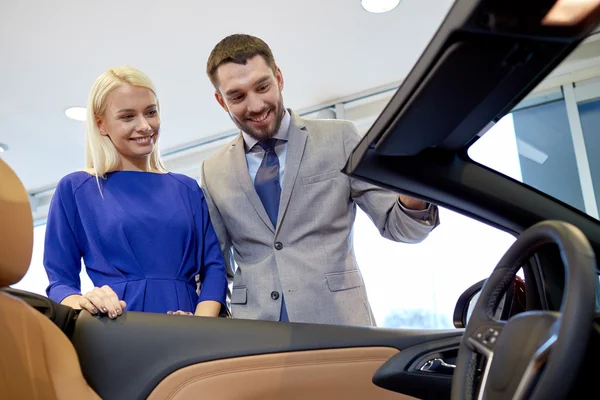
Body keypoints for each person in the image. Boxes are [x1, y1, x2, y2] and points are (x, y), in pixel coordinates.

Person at [200, 34, 440, 326]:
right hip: (256, 336)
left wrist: (417, 185)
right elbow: (216, 267)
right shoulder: (212, 171)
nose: (255, 106)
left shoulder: (340, 138)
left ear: (279, 78)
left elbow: (401, 227)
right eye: (237, 96)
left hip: (340, 324)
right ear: (220, 101)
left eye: (262, 87)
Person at [44, 66, 227, 319]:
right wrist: (87, 303)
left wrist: (200, 324)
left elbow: (214, 268)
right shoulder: (76, 189)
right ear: (101, 124)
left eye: (151, 112)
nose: (144, 125)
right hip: (117, 327)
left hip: (191, 330)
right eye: (128, 116)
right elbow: (60, 281)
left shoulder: (187, 189)